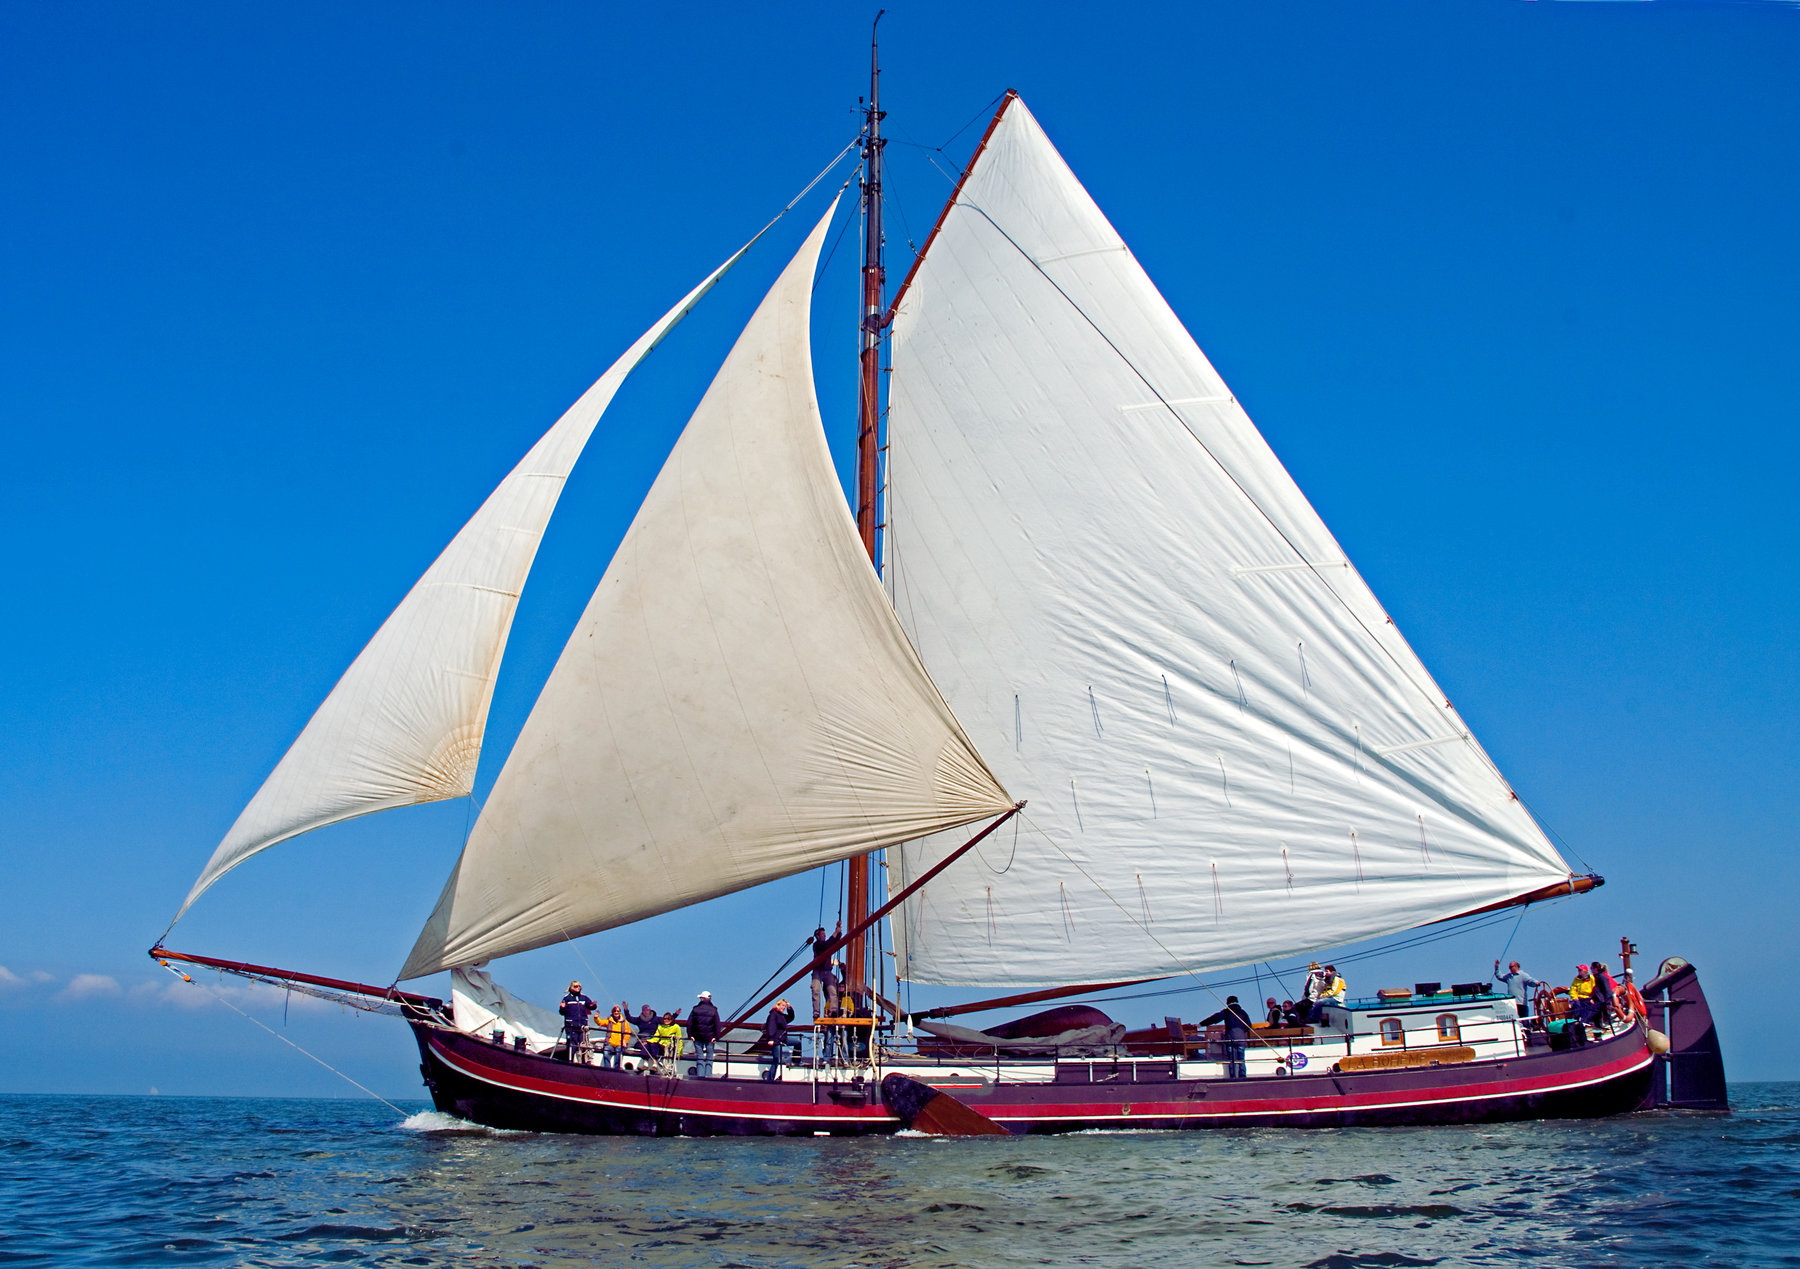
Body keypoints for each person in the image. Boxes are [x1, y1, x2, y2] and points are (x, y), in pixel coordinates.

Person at [1200, 995, 1256, 1079]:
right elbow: (1248, 1026)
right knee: (1241, 1059)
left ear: (1228, 1003)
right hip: (1241, 1039)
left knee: (1231, 1060)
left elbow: (1215, 1018)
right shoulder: (1243, 1012)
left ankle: (1233, 1076)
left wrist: (1201, 1024)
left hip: (1231, 1039)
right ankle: (1242, 1076)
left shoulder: (1227, 1012)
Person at [808, 925, 843, 1019]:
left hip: (827, 971)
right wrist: (836, 932)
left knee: (832, 990)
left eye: (824, 934)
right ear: (818, 936)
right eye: (822, 934)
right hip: (817, 971)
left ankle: (834, 1010)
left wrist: (839, 931)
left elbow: (835, 941)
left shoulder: (827, 944)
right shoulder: (817, 945)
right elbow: (827, 945)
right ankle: (816, 1012)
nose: (824, 936)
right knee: (816, 990)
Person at [559, 981, 597, 1062]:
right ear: (571, 987)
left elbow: (590, 1007)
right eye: (576, 986)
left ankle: (584, 1063)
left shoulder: (584, 998)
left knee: (583, 1046)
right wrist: (562, 1007)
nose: (578, 988)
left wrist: (593, 1005)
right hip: (571, 1026)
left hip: (582, 1026)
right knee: (572, 1046)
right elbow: (562, 1012)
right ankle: (569, 1062)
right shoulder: (567, 999)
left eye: (579, 986)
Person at [687, 990, 721, 1077]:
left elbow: (690, 1023)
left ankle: (700, 1075)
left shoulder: (695, 1009)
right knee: (709, 1057)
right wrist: (716, 1037)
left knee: (700, 1057)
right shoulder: (713, 1010)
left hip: (697, 1037)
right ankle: (708, 1075)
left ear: (702, 998)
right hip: (710, 1037)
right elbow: (717, 1024)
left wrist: (690, 1035)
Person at [761, 998, 795, 1082]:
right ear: (778, 1005)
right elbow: (771, 1026)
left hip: (782, 1039)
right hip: (776, 1040)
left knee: (798, 1041)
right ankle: (770, 1079)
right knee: (776, 1060)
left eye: (784, 1006)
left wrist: (789, 1009)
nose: (783, 1007)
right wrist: (771, 1039)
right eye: (782, 1005)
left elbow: (790, 1018)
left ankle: (796, 1060)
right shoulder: (774, 1014)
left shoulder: (781, 1016)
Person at [651, 1011, 685, 1076]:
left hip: (671, 1046)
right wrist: (649, 1041)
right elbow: (656, 1037)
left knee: (668, 1048)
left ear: (671, 1020)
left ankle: (669, 1068)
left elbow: (679, 1040)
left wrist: (678, 1052)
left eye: (668, 1019)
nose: (666, 1020)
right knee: (653, 1045)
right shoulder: (660, 1027)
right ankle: (654, 1063)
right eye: (664, 1019)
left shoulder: (676, 1027)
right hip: (662, 1045)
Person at [601, 1004, 631, 1070]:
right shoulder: (609, 1021)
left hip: (620, 1044)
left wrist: (625, 1041)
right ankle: (607, 1068)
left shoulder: (624, 1023)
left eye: (618, 1011)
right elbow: (600, 1022)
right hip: (610, 1044)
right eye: (615, 1011)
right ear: (612, 1012)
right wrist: (596, 1017)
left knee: (619, 1051)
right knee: (606, 1050)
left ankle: (616, 1068)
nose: (616, 1012)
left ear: (620, 1012)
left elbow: (628, 1032)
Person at [1590, 960, 1619, 1025]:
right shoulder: (1596, 977)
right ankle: (1599, 1024)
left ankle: (1608, 1022)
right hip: (1599, 1000)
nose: (1590, 970)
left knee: (1605, 1013)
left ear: (1595, 969)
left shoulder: (1601, 977)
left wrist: (1608, 1000)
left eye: (1591, 968)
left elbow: (1606, 988)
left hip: (1603, 1000)